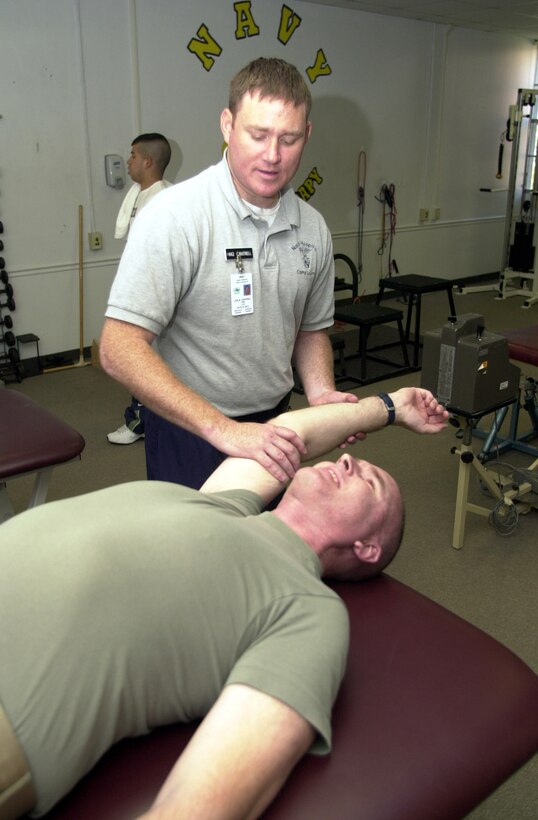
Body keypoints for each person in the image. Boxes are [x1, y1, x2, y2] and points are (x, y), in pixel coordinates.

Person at [0, 387, 448, 820]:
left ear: (367, 546)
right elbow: (292, 433)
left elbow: (202, 806)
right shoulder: (220, 503)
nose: (347, 459)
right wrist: (390, 406)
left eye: (368, 481)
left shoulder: (309, 612)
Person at [100, 57, 358, 489]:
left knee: (263, 545)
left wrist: (321, 393)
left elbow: (310, 330)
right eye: (257, 135)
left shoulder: (313, 227)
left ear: (306, 135)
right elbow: (118, 347)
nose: (272, 156)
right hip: (191, 427)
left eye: (289, 139)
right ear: (227, 125)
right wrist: (223, 429)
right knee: (196, 551)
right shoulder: (175, 216)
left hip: (276, 424)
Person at [107, 132, 173, 446]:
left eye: (133, 155)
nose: (129, 161)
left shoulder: (168, 200)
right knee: (144, 362)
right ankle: (147, 421)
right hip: (141, 293)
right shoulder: (139, 196)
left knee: (142, 362)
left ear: (148, 161)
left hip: (158, 299)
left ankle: (140, 423)